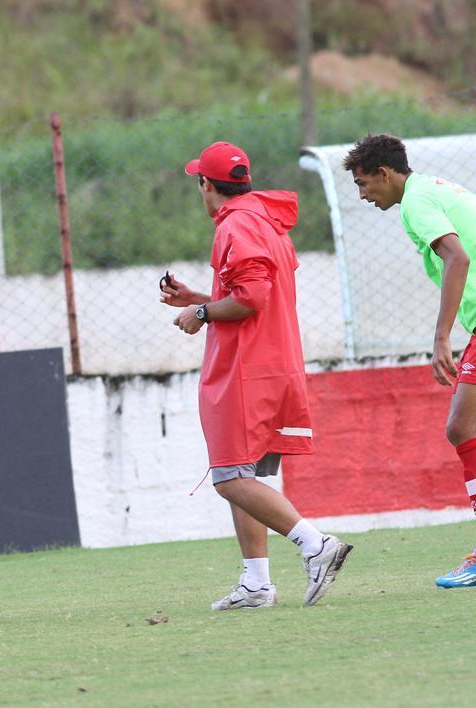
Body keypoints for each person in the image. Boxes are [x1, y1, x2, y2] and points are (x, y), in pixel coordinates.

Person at [161, 141, 352, 610]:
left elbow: (251, 298)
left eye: (198, 182)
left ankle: (316, 545)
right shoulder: (263, 219)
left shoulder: (236, 225)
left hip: (246, 371)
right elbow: (252, 291)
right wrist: (199, 297)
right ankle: (256, 584)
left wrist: (202, 312)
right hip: (272, 362)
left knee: (229, 477)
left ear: (206, 184)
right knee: (246, 479)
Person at [344, 134, 476, 587]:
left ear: (385, 173)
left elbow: (457, 257)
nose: (362, 195)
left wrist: (441, 338)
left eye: (363, 184)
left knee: (462, 427)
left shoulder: (417, 203)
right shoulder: (436, 188)